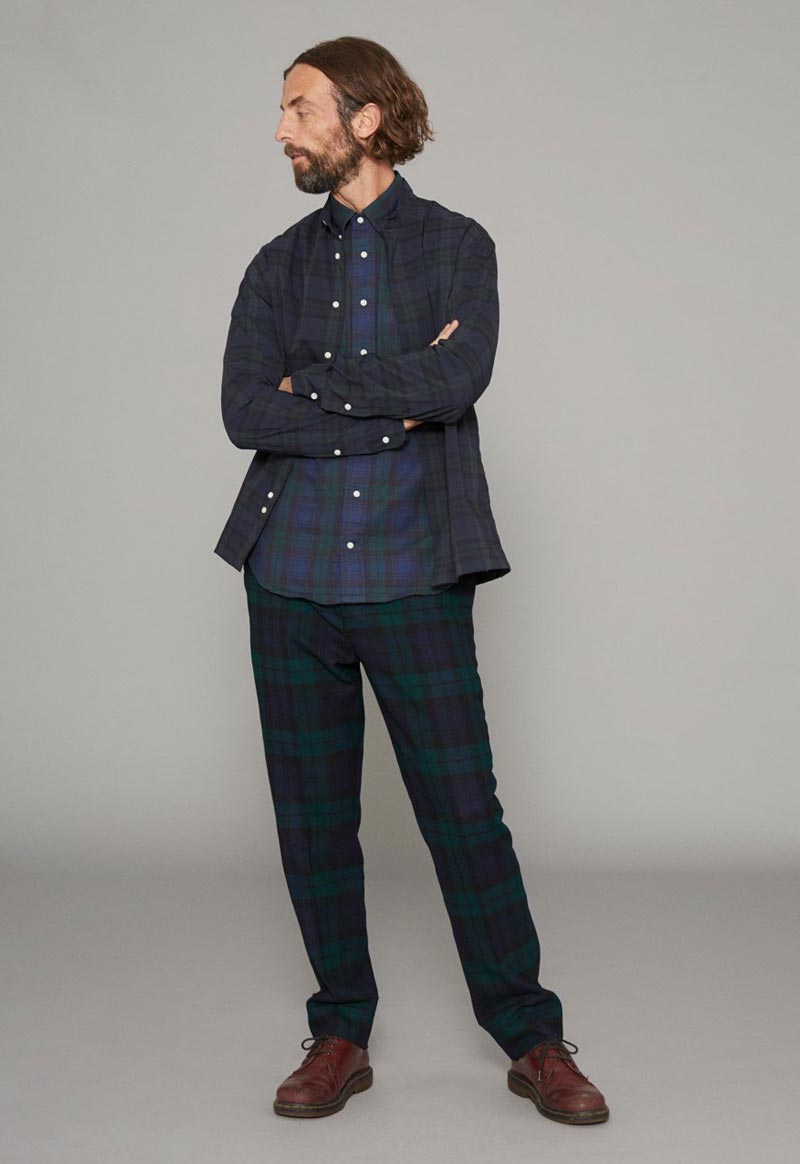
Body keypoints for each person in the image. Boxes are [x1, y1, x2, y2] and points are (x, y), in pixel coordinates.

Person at [214, 36, 609, 1125]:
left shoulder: (456, 246)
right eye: (282, 110)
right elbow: (244, 411)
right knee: (311, 821)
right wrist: (388, 406)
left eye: (299, 109)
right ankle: (340, 1031)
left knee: (462, 815)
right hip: (287, 577)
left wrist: (315, 387)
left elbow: (457, 376)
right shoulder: (274, 266)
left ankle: (530, 1036)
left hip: (414, 571)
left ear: (365, 118)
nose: (280, 130)